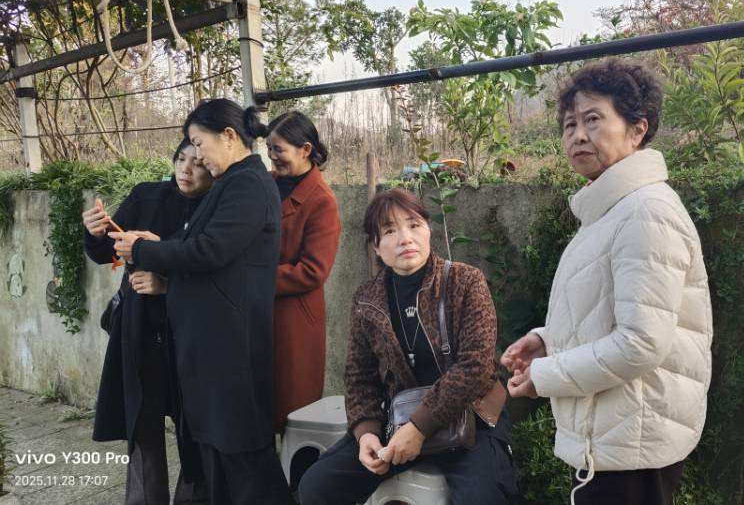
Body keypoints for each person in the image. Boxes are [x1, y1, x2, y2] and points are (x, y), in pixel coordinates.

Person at [501, 58, 713, 505]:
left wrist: (545, 375)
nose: (578, 135)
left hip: (633, 440)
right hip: (617, 433)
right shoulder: (611, 209)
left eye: (593, 119)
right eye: (569, 124)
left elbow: (640, 343)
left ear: (637, 129)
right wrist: (547, 341)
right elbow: (605, 312)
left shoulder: (645, 212)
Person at [109, 99, 294, 505]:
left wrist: (141, 250)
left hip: (230, 349)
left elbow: (210, 250)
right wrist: (158, 251)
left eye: (198, 143)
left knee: (244, 463)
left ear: (228, 136)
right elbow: (196, 246)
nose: (197, 156)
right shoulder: (231, 183)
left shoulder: (247, 184)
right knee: (217, 461)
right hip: (212, 349)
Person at [297, 188, 518, 505]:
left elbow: (476, 367)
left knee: (483, 498)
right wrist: (367, 433)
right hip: (399, 422)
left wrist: (419, 428)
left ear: (428, 230)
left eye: (414, 225)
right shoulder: (367, 299)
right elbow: (359, 378)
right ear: (376, 246)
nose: (405, 238)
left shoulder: (466, 281)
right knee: (317, 486)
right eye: (389, 231)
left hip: (471, 419)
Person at [83, 137, 212, 505]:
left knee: (196, 429)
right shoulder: (147, 195)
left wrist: (167, 282)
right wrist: (94, 232)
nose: (186, 169)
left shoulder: (218, 207)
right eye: (181, 158)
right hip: (140, 327)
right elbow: (108, 250)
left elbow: (215, 267)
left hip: (192, 333)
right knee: (142, 424)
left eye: (197, 162)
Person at [259, 111, 341, 432]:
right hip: (257, 310)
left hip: (294, 318)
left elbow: (313, 270)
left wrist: (254, 278)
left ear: (305, 149)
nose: (272, 156)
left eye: (279, 149)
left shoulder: (322, 201)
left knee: (292, 409)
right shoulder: (265, 184)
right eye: (269, 148)